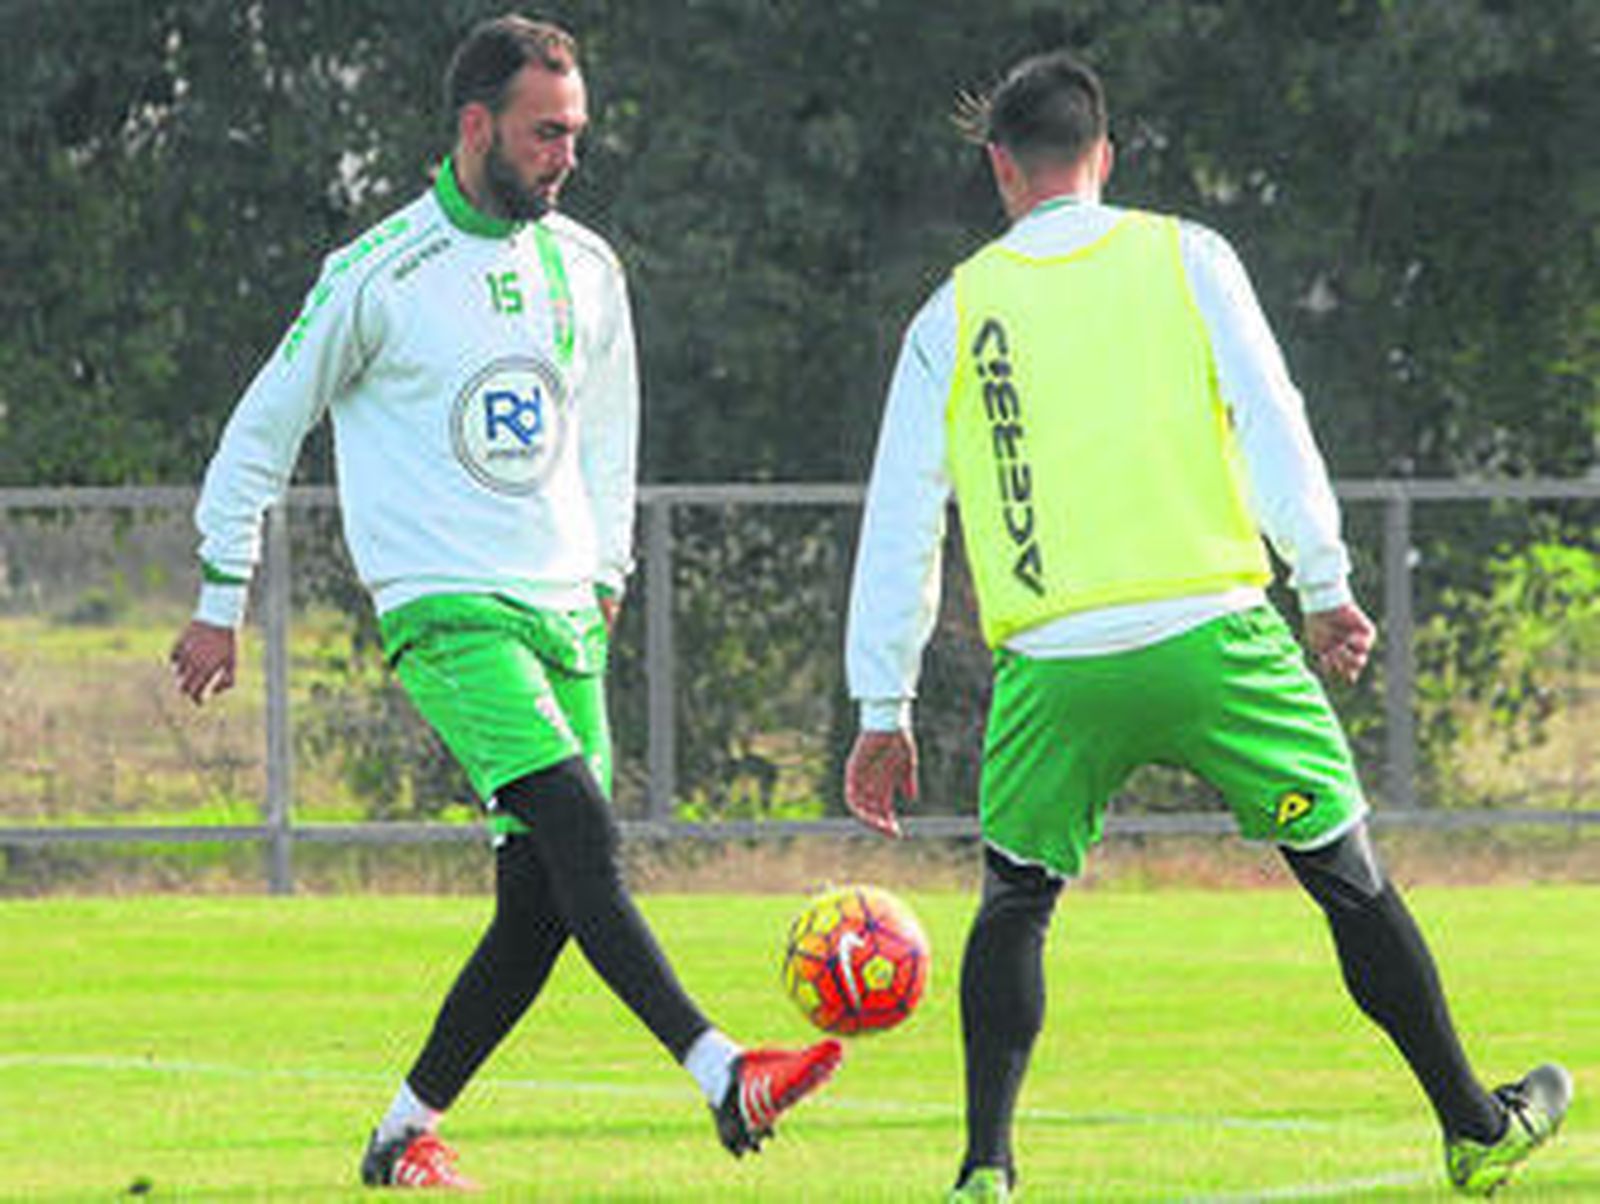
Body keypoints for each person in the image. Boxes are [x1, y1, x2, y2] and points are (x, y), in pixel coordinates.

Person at [842, 49, 1570, 1202]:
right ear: (1106, 157)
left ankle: (986, 1166)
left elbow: (898, 520)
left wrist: (882, 705)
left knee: (1016, 897)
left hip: (1055, 663)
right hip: (1216, 634)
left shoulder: (951, 309)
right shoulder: (1188, 255)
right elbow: (1272, 417)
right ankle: (1473, 1123)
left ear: (1000, 170)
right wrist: (1322, 579)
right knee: (1344, 872)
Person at [169, 13, 840, 1190]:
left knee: (538, 903)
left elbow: (610, 433)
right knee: (585, 830)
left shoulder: (588, 267)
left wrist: (610, 569)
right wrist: (222, 590)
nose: (566, 155)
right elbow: (259, 431)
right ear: (476, 125)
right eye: (544, 133)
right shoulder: (377, 275)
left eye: (575, 134)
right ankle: (723, 1069)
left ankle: (400, 1134)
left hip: (562, 606)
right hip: (446, 607)